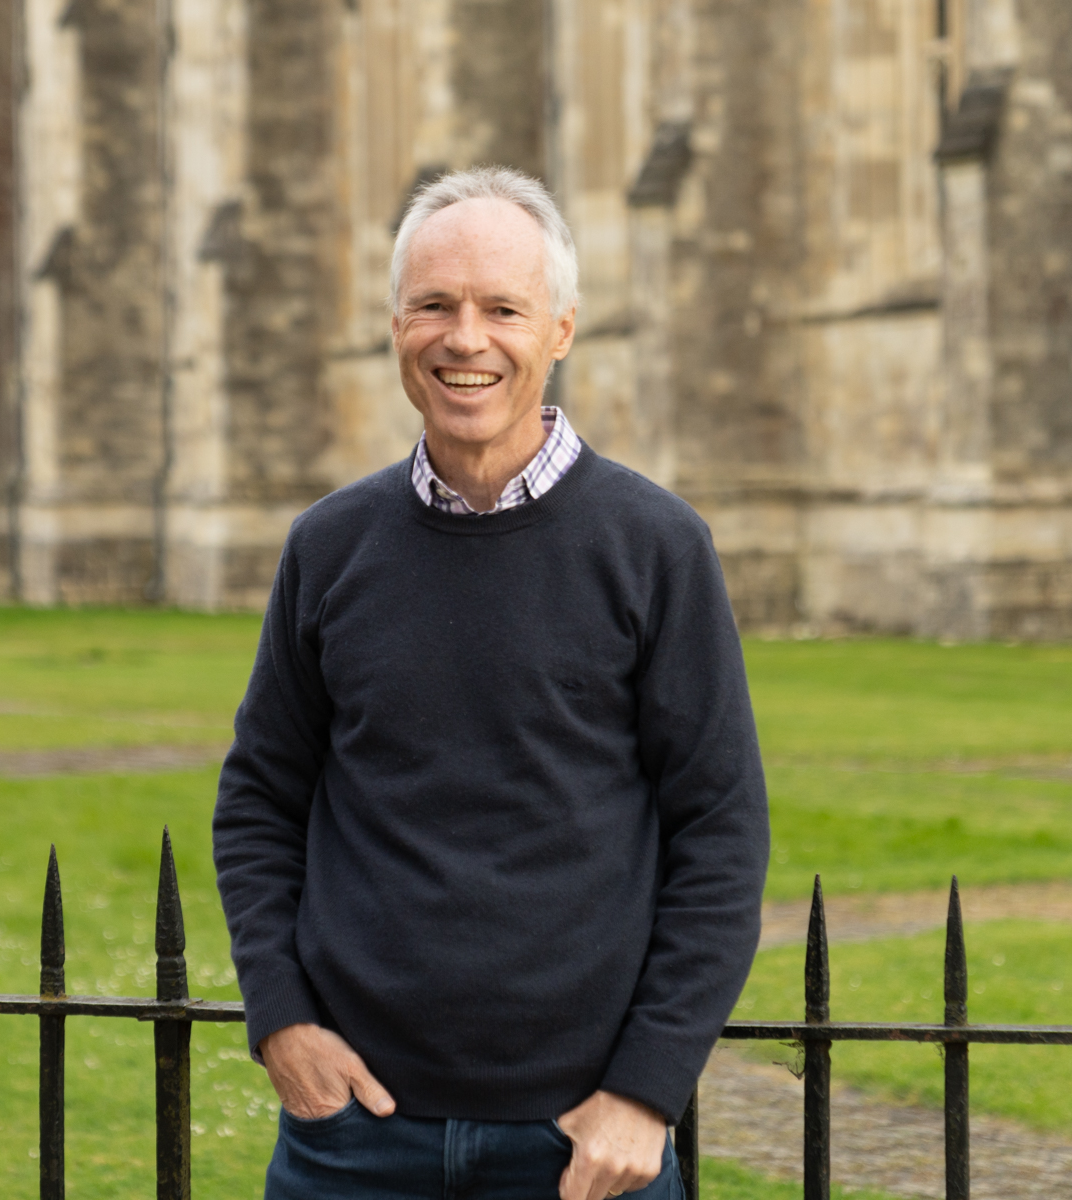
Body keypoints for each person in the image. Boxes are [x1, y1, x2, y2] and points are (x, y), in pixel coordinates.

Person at [214, 166, 768, 1200]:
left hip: (579, 1147)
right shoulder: (330, 548)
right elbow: (259, 797)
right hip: (355, 1141)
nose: (466, 339)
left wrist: (646, 1093)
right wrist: (282, 1020)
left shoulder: (655, 547)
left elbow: (721, 830)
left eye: (502, 309)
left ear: (559, 330)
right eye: (435, 305)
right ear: (396, 327)